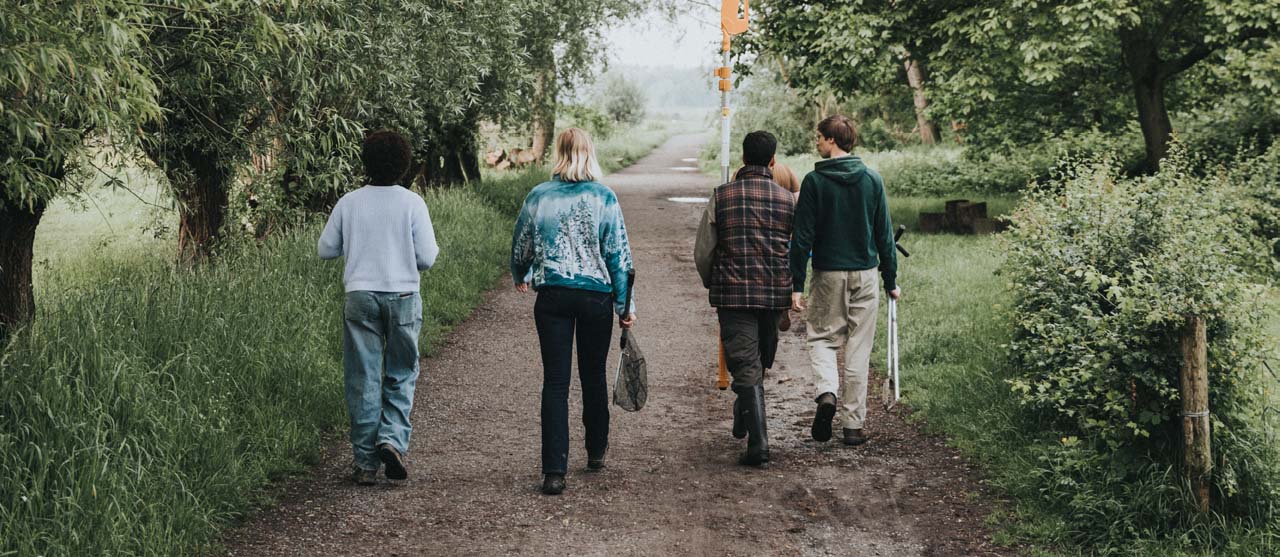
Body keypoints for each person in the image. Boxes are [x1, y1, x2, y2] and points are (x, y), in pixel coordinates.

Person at [511, 127, 636, 496]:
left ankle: (554, 471)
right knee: (593, 375)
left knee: (555, 381)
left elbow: (522, 242)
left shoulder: (539, 196)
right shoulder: (604, 198)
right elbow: (618, 254)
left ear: (559, 153)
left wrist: (522, 272)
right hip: (595, 296)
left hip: (552, 296)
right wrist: (624, 305)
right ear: (589, 153)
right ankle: (596, 450)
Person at [318, 130, 440, 485]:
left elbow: (325, 249)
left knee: (363, 377)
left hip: (360, 296)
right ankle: (392, 439)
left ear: (365, 162)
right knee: (402, 372)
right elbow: (427, 258)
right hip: (403, 295)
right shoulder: (412, 203)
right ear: (404, 165)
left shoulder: (349, 202)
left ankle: (366, 462)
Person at [789, 115, 899, 447]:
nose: (817, 143)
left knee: (822, 338)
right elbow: (884, 234)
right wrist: (890, 279)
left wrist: (795, 284)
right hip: (865, 274)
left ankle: (826, 393)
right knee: (859, 348)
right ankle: (853, 426)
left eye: (819, 137)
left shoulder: (814, 182)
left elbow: (802, 238)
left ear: (832, 141)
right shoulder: (872, 179)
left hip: (827, 274)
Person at [694, 130, 795, 467]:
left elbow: (703, 251)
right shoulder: (786, 200)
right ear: (772, 160)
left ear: (743, 157)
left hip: (734, 294)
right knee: (757, 360)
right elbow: (794, 249)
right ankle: (759, 443)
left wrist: (714, 281)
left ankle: (751, 422)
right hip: (772, 295)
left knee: (749, 362)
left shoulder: (721, 197)